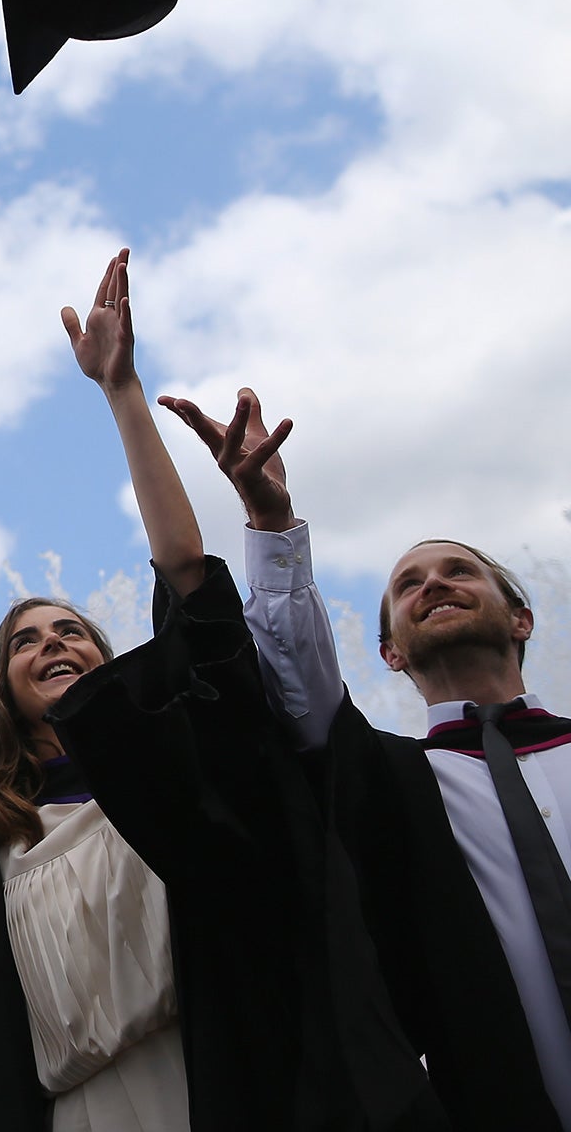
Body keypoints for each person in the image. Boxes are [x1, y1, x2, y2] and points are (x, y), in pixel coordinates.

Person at [0, 250, 441, 1132]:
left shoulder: (171, 778)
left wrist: (121, 394)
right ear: (0, 689)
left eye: (72, 630)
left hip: (223, 1081)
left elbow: (192, 589)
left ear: (108, 660)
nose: (53, 643)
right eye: (26, 640)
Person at [163, 385, 563, 1129]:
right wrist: (273, 523)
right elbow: (300, 690)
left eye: (458, 570)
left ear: (522, 617)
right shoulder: (392, 781)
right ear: (389, 652)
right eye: (407, 584)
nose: (434, 581)